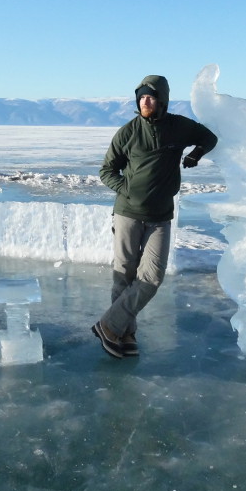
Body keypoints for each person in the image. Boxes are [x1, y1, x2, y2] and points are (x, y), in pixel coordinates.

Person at [92, 75, 218, 358]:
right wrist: (126, 188)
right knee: (123, 276)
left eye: (150, 97)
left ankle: (108, 325)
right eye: (141, 97)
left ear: (162, 99)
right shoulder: (128, 132)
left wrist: (195, 155)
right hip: (128, 213)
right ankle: (123, 334)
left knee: (152, 277)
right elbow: (106, 170)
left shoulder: (179, 127)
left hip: (161, 215)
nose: (144, 101)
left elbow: (209, 138)